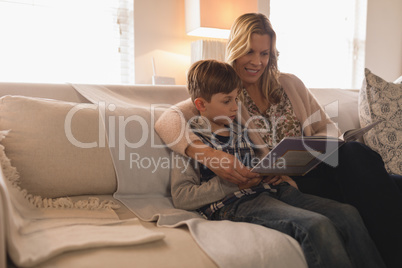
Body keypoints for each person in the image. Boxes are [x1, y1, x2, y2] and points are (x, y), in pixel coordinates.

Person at [156, 13, 402, 267]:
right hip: (283, 183)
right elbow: (168, 119)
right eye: (249, 52)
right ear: (235, 49)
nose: (257, 62)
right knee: (386, 185)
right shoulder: (225, 93)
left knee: (356, 153)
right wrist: (207, 154)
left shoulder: (289, 83)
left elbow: (326, 128)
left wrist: (307, 151)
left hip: (315, 167)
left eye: (265, 54)